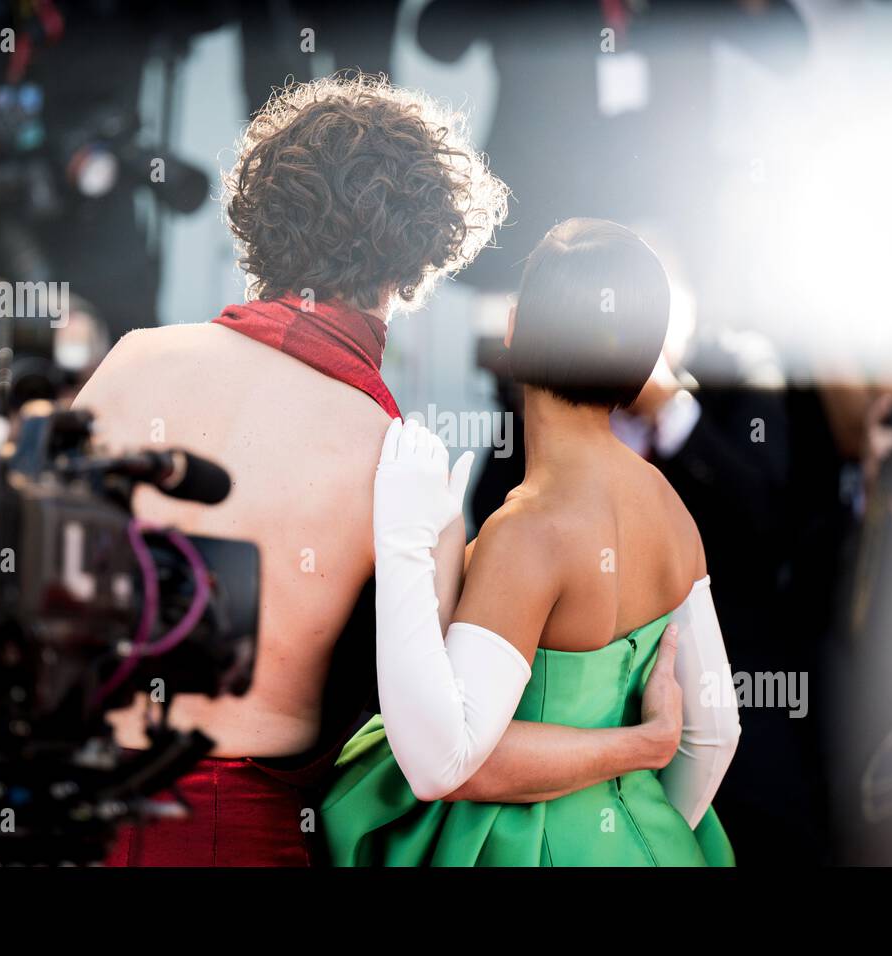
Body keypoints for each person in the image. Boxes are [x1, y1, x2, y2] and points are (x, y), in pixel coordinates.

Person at [74, 76, 693, 866]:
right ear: (420, 261)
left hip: (66, 809)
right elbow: (446, 753)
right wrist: (638, 745)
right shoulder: (399, 462)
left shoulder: (133, 361)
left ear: (258, 223)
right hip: (237, 829)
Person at [322, 219, 741, 866]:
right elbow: (715, 733)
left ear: (514, 329)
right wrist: (637, 825)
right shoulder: (672, 511)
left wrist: (407, 544)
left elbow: (441, 763)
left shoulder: (527, 531)